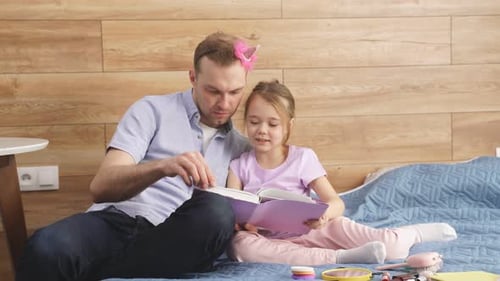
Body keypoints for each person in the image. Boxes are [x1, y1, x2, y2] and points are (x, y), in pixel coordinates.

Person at [16, 31, 259, 280]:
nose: (225, 103)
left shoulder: (243, 148)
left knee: (217, 212)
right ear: (193, 78)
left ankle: (97, 271)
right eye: (213, 91)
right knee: (46, 246)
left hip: (177, 241)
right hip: (117, 222)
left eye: (235, 92)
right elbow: (101, 187)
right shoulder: (152, 110)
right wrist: (163, 166)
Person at [226, 80, 457, 266]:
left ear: (289, 126)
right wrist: (244, 224)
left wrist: (324, 217)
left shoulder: (303, 158)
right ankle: (340, 258)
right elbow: (233, 210)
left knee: (391, 248)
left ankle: (411, 234)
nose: (262, 131)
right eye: (254, 122)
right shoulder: (238, 166)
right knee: (240, 246)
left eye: (273, 124)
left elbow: (335, 202)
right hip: (269, 239)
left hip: (312, 230)